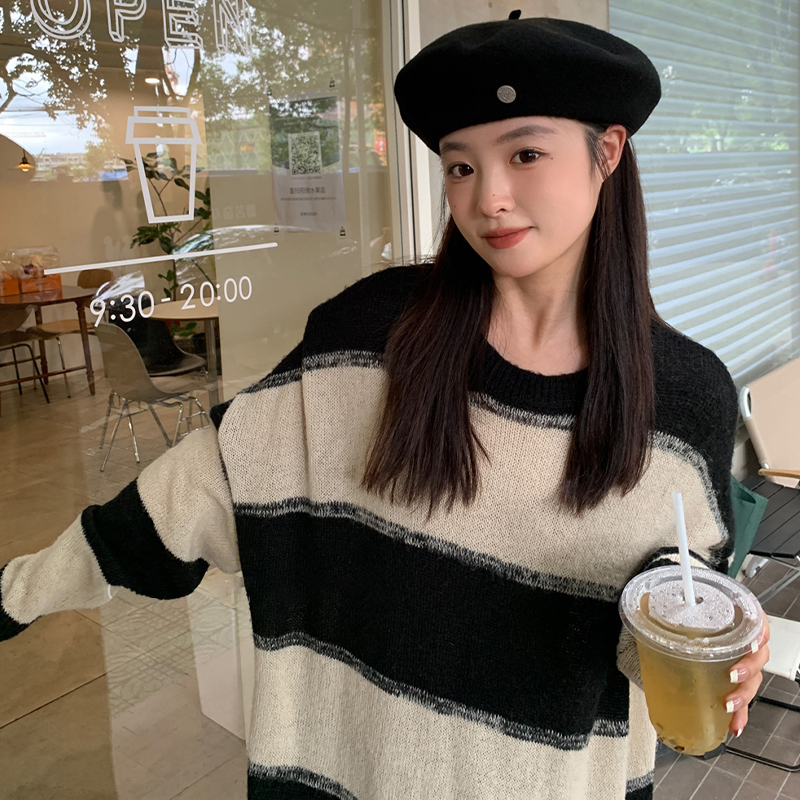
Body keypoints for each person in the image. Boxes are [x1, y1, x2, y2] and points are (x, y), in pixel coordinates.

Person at [0, 12, 770, 800]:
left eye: (526, 154)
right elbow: (192, 492)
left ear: (607, 152)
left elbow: (668, 621)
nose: (489, 198)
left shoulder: (684, 397)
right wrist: (16, 592)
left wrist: (716, 653)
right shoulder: (370, 338)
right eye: (460, 167)